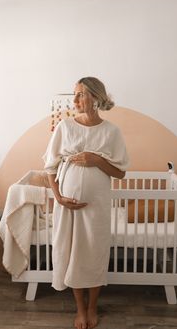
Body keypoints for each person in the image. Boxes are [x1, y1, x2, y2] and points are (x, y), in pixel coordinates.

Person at [43, 77, 129, 329]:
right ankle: (80, 309)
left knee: (93, 252)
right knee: (71, 251)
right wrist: (58, 197)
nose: (75, 100)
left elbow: (120, 172)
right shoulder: (65, 127)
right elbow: (50, 165)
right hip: (68, 204)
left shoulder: (111, 131)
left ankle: (92, 308)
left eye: (81, 94)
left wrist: (96, 160)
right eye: (75, 94)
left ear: (96, 97)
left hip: (97, 205)